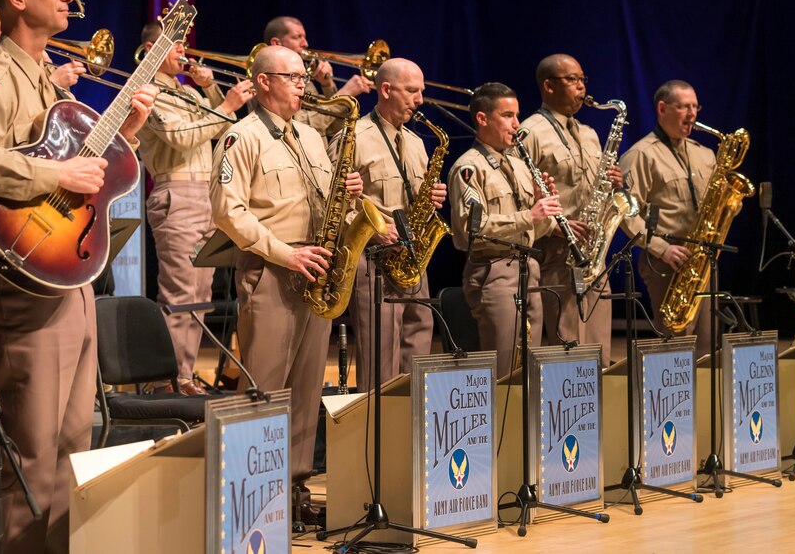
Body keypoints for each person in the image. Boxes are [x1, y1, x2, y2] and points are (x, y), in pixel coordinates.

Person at [0, 0, 156, 553]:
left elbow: (68, 162)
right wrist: (56, 177)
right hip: (21, 282)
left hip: (66, 277)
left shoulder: (41, 74)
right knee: (30, 459)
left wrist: (127, 136)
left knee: (71, 452)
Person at [209, 44, 363, 520]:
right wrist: (286, 253)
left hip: (316, 271)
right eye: (292, 77)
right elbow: (227, 212)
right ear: (263, 83)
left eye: (302, 77)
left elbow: (326, 200)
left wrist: (350, 195)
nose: (303, 84)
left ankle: (294, 495)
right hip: (272, 270)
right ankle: (248, 500)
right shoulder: (242, 137)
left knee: (304, 392)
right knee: (264, 391)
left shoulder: (313, 138)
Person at [137, 20, 254, 394]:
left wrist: (211, 89)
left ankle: (183, 375)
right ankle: (165, 378)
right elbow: (181, 137)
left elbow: (223, 128)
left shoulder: (189, 92)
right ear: (154, 48)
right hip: (177, 192)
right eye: (176, 46)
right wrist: (227, 103)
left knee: (200, 296)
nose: (184, 53)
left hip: (206, 194)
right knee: (178, 293)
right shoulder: (148, 91)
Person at [337, 57, 446, 392]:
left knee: (419, 343)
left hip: (414, 259)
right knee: (380, 360)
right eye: (412, 91)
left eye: (421, 91)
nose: (420, 99)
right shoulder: (353, 136)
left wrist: (432, 200)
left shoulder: (415, 141)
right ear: (385, 90)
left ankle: (412, 428)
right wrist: (375, 229)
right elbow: (334, 204)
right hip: (374, 261)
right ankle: (375, 439)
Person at [448, 82, 561, 379]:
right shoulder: (469, 168)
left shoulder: (519, 164)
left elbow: (539, 228)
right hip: (494, 269)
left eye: (517, 115)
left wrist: (544, 204)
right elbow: (472, 230)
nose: (516, 124)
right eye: (508, 116)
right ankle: (501, 425)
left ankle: (525, 425)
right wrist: (529, 215)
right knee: (505, 367)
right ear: (483, 118)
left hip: (529, 267)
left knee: (531, 364)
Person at [518, 54, 620, 365]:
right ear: (548, 86)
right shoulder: (530, 131)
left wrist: (614, 182)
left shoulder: (589, 133)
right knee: (570, 346)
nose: (581, 87)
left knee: (601, 347)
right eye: (572, 80)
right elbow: (520, 195)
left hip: (595, 252)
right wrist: (554, 226)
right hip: (557, 250)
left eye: (582, 80)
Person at [620, 79, 715, 355]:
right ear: (662, 108)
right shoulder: (641, 154)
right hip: (666, 262)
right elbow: (626, 213)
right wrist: (661, 249)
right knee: (676, 346)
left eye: (695, 106)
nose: (693, 113)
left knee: (706, 346)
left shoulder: (705, 153)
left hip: (701, 262)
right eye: (684, 106)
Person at [263, 16, 373, 138]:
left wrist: (327, 85)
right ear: (276, 43)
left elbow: (334, 127)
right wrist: (345, 93)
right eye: (297, 37)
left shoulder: (303, 77)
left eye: (304, 37)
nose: (305, 43)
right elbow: (303, 127)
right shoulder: (269, 80)